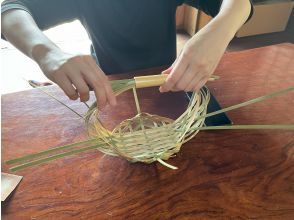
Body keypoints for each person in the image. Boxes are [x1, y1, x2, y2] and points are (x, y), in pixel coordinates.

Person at [1, 0, 253, 108]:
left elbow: (240, 4)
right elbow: (9, 10)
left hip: (168, 83)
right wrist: (47, 53)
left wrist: (220, 31)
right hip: (109, 87)